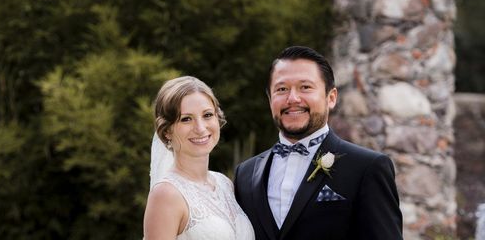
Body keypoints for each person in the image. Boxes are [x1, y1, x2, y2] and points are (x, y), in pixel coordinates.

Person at [234, 46, 403, 240]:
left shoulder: (367, 167)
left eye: (305, 87)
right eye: (282, 89)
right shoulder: (244, 174)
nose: (292, 98)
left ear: (331, 98)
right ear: (270, 98)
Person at [143, 76, 255, 240]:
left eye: (208, 115)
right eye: (186, 119)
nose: (201, 128)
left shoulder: (225, 184)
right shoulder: (165, 195)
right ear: (167, 131)